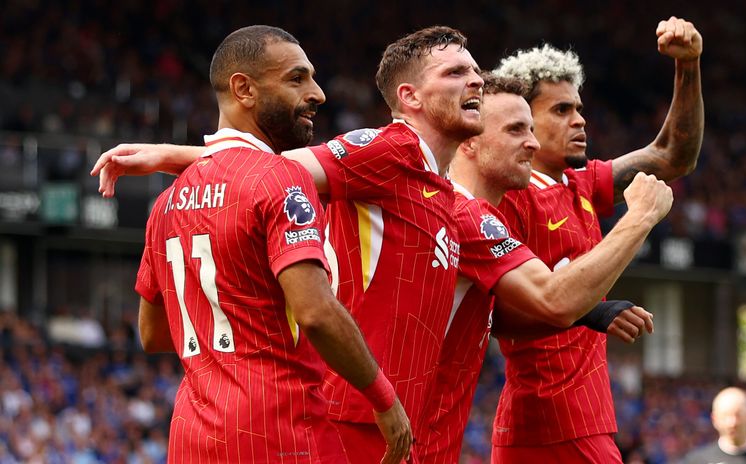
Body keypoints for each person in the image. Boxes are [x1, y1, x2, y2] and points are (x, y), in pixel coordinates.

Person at [95, 26, 481, 462]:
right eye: (297, 79)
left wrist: (233, 334)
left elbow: (153, 334)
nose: (317, 93)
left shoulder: (166, 203)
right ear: (244, 89)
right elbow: (315, 312)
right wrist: (385, 398)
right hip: (274, 424)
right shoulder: (286, 178)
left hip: (191, 433)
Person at [416, 73, 671, 464]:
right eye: (517, 129)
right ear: (469, 139)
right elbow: (554, 300)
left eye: (531, 130)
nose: (532, 143)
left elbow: (516, 312)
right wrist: (641, 217)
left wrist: (590, 311)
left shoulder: (476, 217)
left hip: (435, 436)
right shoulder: (458, 214)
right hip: (406, 432)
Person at [490, 16, 705, 463]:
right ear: (523, 121)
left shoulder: (580, 183)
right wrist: (592, 311)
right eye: (561, 110)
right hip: (555, 416)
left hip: (569, 419)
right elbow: (495, 312)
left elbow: (672, 155)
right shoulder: (509, 197)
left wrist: (689, 67)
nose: (579, 120)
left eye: (579, 108)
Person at [682, 387, 746, 464]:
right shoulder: (696, 461)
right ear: (714, 419)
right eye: (725, 416)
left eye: (738, 415)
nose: (732, 423)